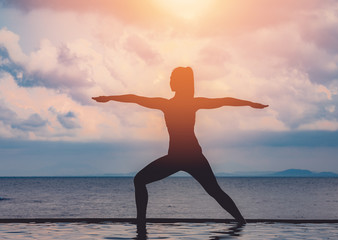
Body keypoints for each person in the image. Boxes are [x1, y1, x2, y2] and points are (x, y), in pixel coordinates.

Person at [92, 67, 268, 226]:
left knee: (214, 191)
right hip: (176, 158)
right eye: (170, 78)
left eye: (173, 78)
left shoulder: (184, 103)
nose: (170, 81)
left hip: (191, 157)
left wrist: (250, 104)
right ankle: (141, 223)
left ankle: (241, 221)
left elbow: (224, 101)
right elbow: (136, 99)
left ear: (180, 83)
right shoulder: (173, 104)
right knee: (140, 180)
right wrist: (109, 98)